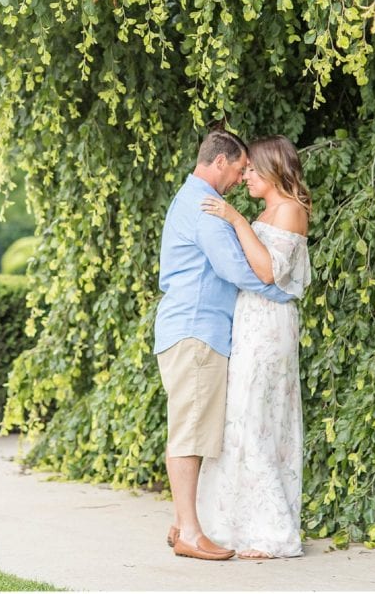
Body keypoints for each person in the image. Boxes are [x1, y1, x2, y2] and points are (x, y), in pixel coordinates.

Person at [154, 128, 296, 561]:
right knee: (190, 433)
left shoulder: (192, 198)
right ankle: (191, 535)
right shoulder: (204, 208)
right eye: (238, 169)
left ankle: (185, 524)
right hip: (197, 331)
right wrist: (282, 293)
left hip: (195, 329)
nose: (239, 179)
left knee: (192, 427)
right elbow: (235, 268)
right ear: (220, 163)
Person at [196, 135, 312, 559]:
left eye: (249, 170)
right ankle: (232, 524)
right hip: (252, 323)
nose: (243, 176)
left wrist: (236, 220)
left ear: (270, 169)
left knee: (259, 417)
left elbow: (266, 273)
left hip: (269, 326)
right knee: (244, 417)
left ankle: (270, 531)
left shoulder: (290, 210)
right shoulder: (270, 210)